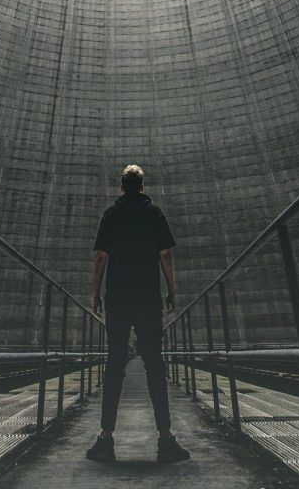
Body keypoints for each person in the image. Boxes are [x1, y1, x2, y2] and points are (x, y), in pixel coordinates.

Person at [85, 164, 191, 464]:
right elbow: (165, 254)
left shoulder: (111, 214)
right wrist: (172, 291)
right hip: (147, 297)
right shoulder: (153, 213)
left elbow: (101, 256)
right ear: (141, 186)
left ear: (122, 186)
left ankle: (105, 440)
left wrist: (95, 294)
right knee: (154, 364)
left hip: (118, 298)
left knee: (114, 363)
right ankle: (166, 440)